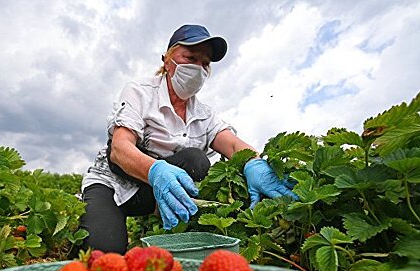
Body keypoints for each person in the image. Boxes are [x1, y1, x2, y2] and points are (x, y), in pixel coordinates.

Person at [80, 24, 297, 254]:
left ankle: (165, 220)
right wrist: (156, 171)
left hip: (151, 193)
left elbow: (232, 144)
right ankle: (95, 212)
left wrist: (255, 163)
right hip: (112, 183)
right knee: (104, 251)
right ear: (167, 60)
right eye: (190, 57)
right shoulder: (140, 92)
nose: (198, 68)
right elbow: (120, 149)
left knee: (196, 160)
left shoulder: (203, 114)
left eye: (205, 63)